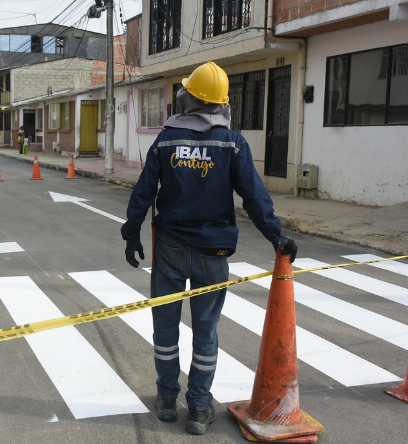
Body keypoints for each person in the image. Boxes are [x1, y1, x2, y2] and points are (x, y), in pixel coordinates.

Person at [119, 61, 298, 436]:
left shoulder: (166, 140)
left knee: (165, 327)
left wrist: (131, 232)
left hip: (169, 248)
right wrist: (278, 238)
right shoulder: (232, 143)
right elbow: (254, 197)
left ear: (190, 98)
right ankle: (199, 408)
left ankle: (167, 399)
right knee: (206, 331)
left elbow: (144, 191)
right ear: (219, 103)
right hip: (213, 254)